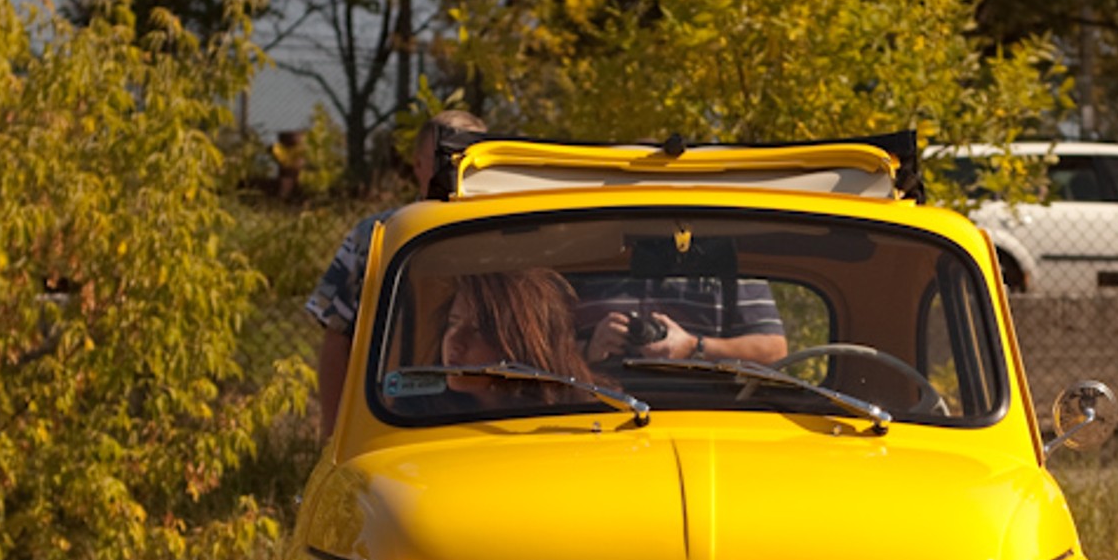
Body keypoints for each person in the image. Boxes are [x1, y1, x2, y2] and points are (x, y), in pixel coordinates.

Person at [305, 107, 487, 440]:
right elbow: (337, 337)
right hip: (396, 423)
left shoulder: (504, 237)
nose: (455, 170)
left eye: (467, 160)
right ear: (418, 166)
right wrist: (333, 437)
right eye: (443, 159)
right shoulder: (378, 236)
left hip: (491, 420)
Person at [438, 269, 601, 405]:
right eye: (453, 323)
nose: (455, 341)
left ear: (521, 343)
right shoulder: (422, 418)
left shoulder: (587, 415)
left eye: (478, 330)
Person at [575, 275, 788, 365]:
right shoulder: (587, 254)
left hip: (705, 413)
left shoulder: (730, 266)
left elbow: (774, 350)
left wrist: (694, 346)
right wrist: (590, 349)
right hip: (595, 411)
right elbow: (543, 356)